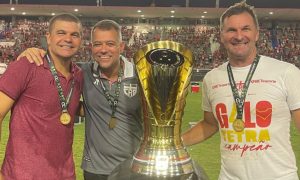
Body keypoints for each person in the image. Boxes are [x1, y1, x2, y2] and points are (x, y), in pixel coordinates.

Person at [182, 1, 300, 180]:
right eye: (231, 30)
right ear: (222, 35)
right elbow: (210, 124)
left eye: (245, 28)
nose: (239, 36)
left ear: (257, 34)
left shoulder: (286, 72)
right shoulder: (212, 78)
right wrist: (172, 143)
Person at [17, 19, 143, 180]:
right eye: (97, 44)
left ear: (121, 46)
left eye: (110, 43)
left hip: (133, 167)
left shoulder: (140, 76)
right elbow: (55, 70)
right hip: (95, 168)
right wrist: (32, 51)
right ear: (91, 47)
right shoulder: (82, 72)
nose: (103, 50)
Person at [0, 13, 83, 179]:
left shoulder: (79, 75)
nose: (68, 39)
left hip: (65, 175)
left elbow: (71, 107)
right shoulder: (26, 65)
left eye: (74, 34)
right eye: (61, 33)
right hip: (21, 175)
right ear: (49, 37)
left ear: (81, 40)